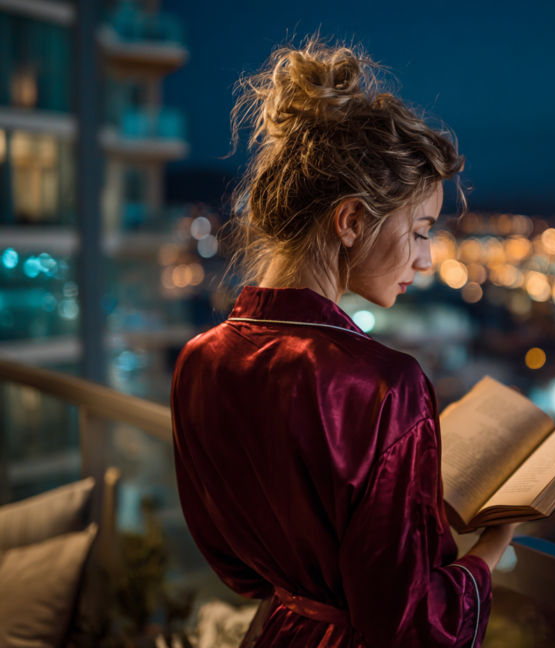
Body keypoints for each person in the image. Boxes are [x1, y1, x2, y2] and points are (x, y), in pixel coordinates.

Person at [170, 37, 515, 647]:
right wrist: (486, 556)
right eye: (418, 231)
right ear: (352, 220)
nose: (426, 259)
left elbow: (234, 566)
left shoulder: (200, 360)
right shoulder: (383, 385)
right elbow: (408, 625)